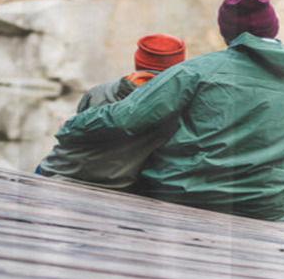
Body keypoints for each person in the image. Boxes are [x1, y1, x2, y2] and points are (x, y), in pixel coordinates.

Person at [54, 0, 284, 221]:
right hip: (265, 209)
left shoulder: (197, 71)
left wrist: (72, 125)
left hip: (184, 197)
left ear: (226, 32)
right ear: (274, 28)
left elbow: (128, 118)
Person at [36, 33, 186, 189]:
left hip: (55, 171)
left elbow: (73, 132)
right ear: (177, 68)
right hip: (114, 188)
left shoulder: (98, 92)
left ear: (137, 61)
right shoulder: (179, 107)